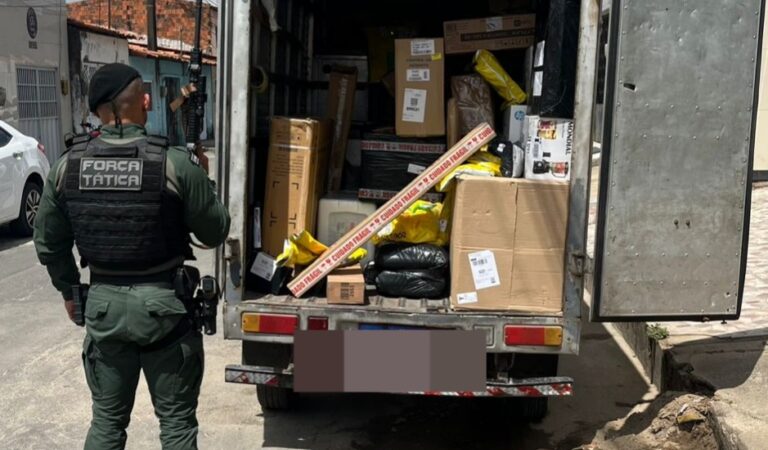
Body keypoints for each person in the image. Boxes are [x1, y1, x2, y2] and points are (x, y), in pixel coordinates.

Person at [33, 63, 230, 450]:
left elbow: (48, 242)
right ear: (144, 101)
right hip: (165, 310)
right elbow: (215, 230)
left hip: (103, 309)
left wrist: (69, 291)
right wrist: (202, 179)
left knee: (106, 424)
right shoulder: (174, 164)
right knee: (176, 426)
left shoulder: (66, 165)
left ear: (95, 112)